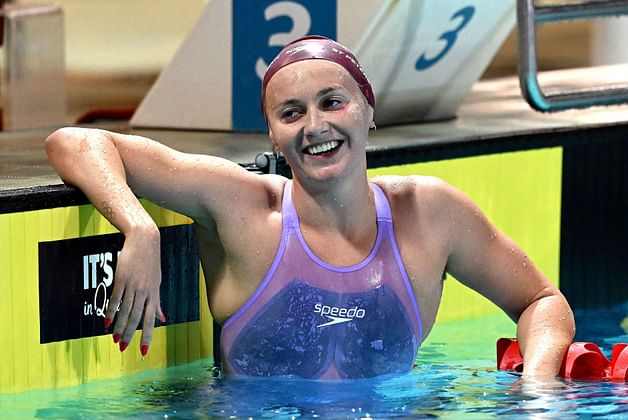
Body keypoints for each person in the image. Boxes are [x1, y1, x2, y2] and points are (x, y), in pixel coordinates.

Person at [45, 36, 575, 379]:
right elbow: (74, 141)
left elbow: (542, 301)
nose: (316, 127)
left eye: (333, 102)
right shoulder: (244, 208)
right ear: (273, 137)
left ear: (368, 111)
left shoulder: (430, 215)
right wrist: (139, 227)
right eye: (292, 113)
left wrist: (538, 392)